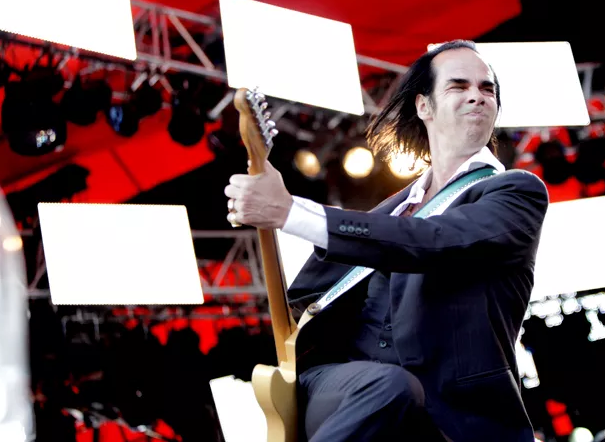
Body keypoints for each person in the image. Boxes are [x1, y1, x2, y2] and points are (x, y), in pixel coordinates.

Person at [224, 40, 548, 442]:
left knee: (396, 389)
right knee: (389, 386)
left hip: (451, 419)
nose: (476, 96)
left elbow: (435, 240)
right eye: (458, 85)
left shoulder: (516, 193)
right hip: (345, 389)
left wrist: (290, 212)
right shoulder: (393, 210)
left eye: (487, 88)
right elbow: (306, 297)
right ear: (424, 106)